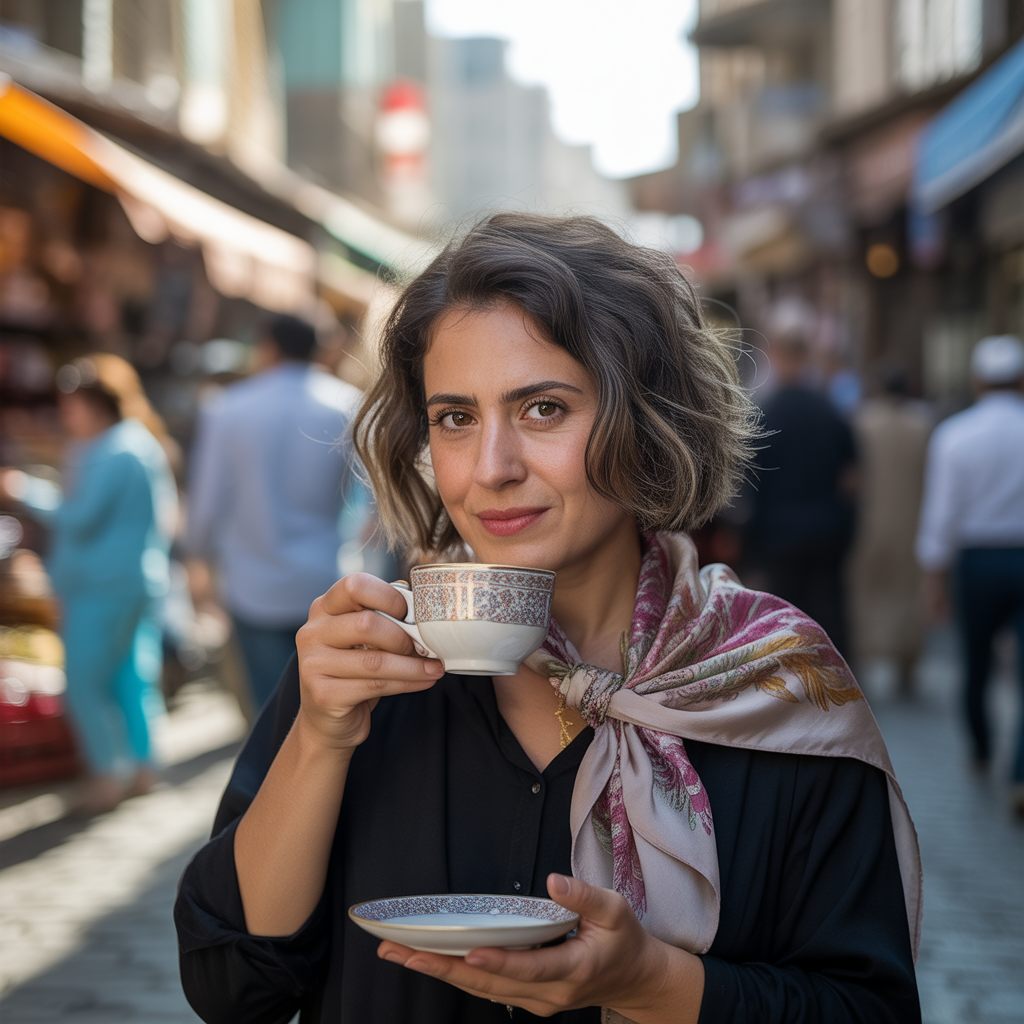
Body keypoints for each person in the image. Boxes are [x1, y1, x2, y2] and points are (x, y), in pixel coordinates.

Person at [175, 214, 921, 1023]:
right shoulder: (366, 667)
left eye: (542, 410)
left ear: (646, 420)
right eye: (455, 418)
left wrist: (654, 984)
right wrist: (318, 738)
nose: (491, 469)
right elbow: (233, 985)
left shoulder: (775, 685)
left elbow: (867, 1008)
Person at [1, 354, 177, 814]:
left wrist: (24, 489)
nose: (66, 416)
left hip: (101, 587)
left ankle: (108, 773)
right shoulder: (139, 443)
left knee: (84, 681)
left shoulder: (110, 449)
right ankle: (142, 767)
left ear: (94, 404)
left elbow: (78, 518)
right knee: (131, 678)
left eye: (71, 406)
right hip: (137, 580)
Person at [184, 314, 364, 711]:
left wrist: (195, 555)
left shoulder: (229, 408)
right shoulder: (347, 404)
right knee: (327, 708)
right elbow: (369, 500)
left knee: (270, 712)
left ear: (269, 347)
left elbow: (207, 497)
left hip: (252, 581)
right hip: (325, 577)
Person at [916, 334, 1024, 817]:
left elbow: (940, 516)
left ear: (979, 380)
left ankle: (981, 748)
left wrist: (933, 581)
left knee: (975, 661)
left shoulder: (954, 435)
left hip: (976, 561)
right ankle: (1020, 771)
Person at [744, 333, 858, 657]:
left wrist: (752, 542)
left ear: (777, 356)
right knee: (831, 617)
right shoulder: (831, 412)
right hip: (828, 531)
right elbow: (850, 482)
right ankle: (841, 691)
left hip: (779, 535)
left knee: (784, 623)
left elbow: (751, 485)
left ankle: (793, 695)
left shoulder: (765, 414)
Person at [850, 368, 932, 692]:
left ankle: (864, 660)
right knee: (910, 594)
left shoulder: (861, 423)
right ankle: (906, 665)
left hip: (868, 523)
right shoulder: (923, 426)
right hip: (912, 523)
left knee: (864, 593)